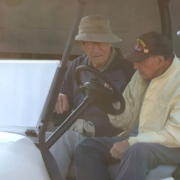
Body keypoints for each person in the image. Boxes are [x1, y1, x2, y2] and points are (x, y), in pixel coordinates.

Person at [74, 31, 180, 180]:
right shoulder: (141, 76)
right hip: (140, 141)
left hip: (173, 147)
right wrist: (111, 102)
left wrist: (133, 142)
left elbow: (176, 135)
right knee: (86, 147)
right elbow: (126, 122)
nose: (135, 66)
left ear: (160, 61)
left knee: (137, 150)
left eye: (141, 61)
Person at [51, 15, 135, 180]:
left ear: (110, 42)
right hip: (79, 130)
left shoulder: (128, 70)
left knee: (65, 139)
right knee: (47, 139)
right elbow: (64, 88)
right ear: (82, 45)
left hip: (110, 136)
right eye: (89, 43)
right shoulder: (77, 65)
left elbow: (134, 111)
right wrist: (60, 95)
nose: (96, 50)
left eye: (102, 42)